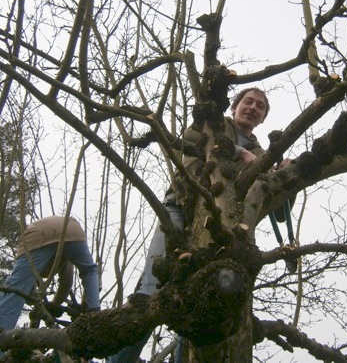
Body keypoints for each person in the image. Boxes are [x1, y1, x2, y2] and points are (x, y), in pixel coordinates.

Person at [108, 87, 271, 363]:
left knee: (200, 302)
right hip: (180, 210)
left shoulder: (262, 152)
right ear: (234, 107)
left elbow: (263, 193)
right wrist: (240, 154)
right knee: (153, 289)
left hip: (218, 226)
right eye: (248, 102)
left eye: (260, 106)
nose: (253, 108)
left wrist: (276, 168)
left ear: (263, 118)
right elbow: (193, 140)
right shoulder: (213, 122)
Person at [0, 215, 100, 359]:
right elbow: (66, 284)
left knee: (14, 291)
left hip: (38, 234)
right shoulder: (64, 254)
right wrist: (55, 305)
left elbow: (26, 292)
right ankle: (95, 314)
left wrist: (50, 306)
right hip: (73, 228)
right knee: (89, 270)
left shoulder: (29, 251)